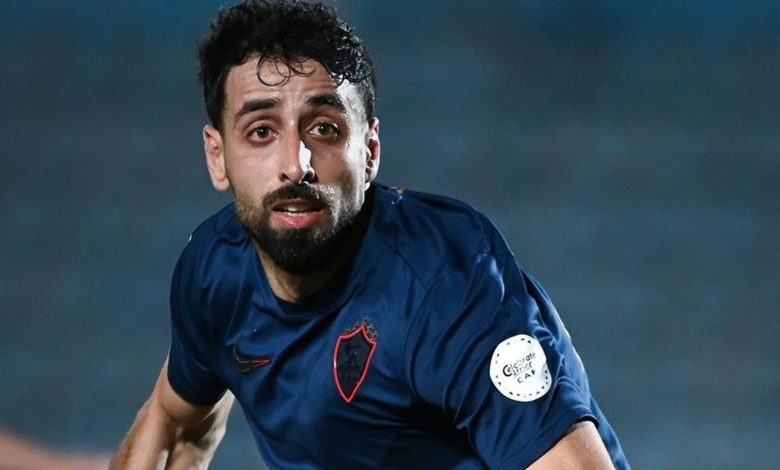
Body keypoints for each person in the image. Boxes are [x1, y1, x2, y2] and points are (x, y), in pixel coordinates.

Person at [111, 1, 629, 468]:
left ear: (370, 151)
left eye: (324, 129)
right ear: (217, 156)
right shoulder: (213, 273)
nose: (296, 164)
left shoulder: (447, 288)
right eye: (261, 132)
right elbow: (176, 428)